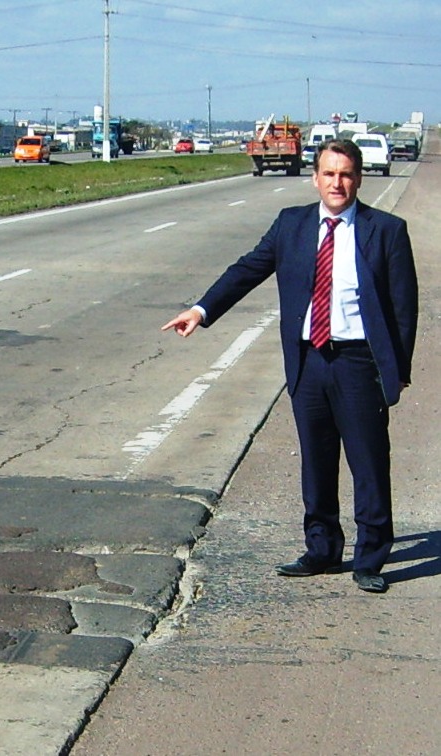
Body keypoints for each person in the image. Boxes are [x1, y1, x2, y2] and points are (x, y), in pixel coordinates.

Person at [162, 139, 418, 594]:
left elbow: (403, 306)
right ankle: (321, 549)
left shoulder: (386, 230)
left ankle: (370, 559)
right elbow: (248, 269)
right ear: (315, 178)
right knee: (316, 461)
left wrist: (397, 368)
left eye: (345, 174)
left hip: (359, 362)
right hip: (308, 361)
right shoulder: (291, 225)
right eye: (329, 173)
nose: (337, 183)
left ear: (358, 179)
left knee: (369, 463)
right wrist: (201, 311)